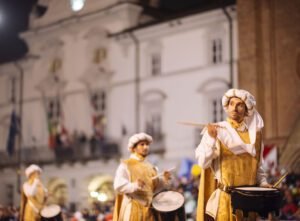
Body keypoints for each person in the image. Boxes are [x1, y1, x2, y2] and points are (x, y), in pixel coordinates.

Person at [195, 89, 272, 221]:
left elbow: (256, 167)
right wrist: (212, 139)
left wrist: (263, 183)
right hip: (226, 202)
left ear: (247, 109)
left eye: (239, 105)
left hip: (249, 203)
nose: (234, 108)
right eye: (231, 104)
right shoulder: (216, 130)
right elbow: (203, 162)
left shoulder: (255, 136)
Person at [113, 133, 171, 221]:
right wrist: (134, 185)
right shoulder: (126, 164)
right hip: (133, 206)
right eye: (142, 144)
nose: (146, 147)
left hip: (150, 210)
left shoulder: (151, 167)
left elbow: (153, 187)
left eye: (147, 144)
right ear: (133, 148)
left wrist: (164, 180)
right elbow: (118, 185)